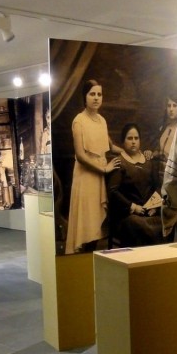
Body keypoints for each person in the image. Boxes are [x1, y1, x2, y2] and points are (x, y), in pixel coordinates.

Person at [65, 79, 121, 254]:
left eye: (99, 94)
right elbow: (81, 156)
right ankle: (83, 260)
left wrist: (133, 152)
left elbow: (111, 147)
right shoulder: (79, 121)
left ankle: (93, 260)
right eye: (92, 94)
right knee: (86, 223)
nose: (96, 98)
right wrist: (104, 169)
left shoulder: (102, 121)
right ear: (85, 97)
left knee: (96, 223)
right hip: (85, 177)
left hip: (99, 178)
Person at [107, 123, 164, 247]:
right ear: (123, 141)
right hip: (127, 215)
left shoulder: (148, 161)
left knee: (166, 221)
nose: (133, 142)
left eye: (136, 138)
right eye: (129, 138)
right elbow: (113, 192)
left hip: (149, 212)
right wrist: (133, 207)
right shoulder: (119, 162)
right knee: (136, 223)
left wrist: (154, 206)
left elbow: (158, 187)